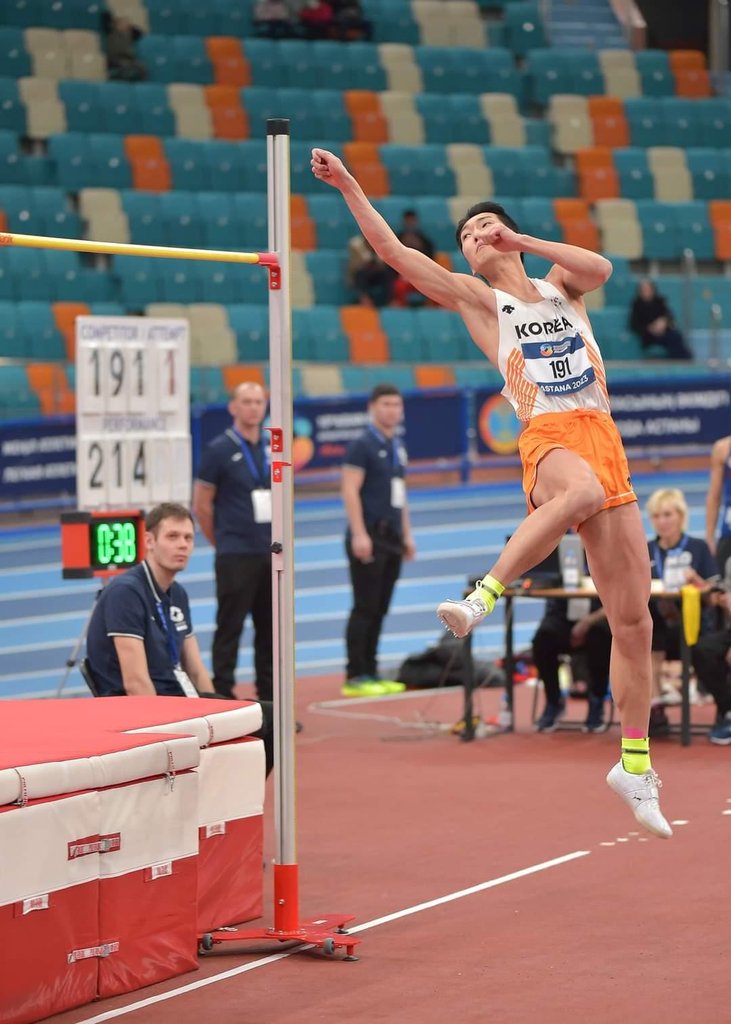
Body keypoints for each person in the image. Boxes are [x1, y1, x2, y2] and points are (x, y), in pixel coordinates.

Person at [311, 146, 671, 837]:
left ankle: (632, 763)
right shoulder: (479, 299)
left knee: (633, 623)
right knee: (578, 492)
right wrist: (350, 184)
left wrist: (524, 242)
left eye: (481, 229)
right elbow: (391, 253)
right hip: (547, 436)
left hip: (603, 435)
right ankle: (483, 595)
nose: (473, 240)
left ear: (505, 232)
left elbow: (601, 268)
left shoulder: (562, 285)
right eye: (466, 238)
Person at [85, 502, 273, 776]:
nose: (182, 545)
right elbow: (135, 681)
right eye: (172, 537)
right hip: (145, 711)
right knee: (268, 718)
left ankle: (233, 797)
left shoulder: (177, 593)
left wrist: (213, 706)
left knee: (272, 718)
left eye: (188, 538)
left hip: (181, 701)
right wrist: (161, 736)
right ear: (149, 541)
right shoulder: (126, 593)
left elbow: (196, 669)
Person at [192, 382, 273, 703]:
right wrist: (221, 542)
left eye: (259, 401)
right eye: (247, 402)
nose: (254, 407)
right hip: (235, 554)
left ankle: (270, 702)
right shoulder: (219, 450)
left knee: (270, 633)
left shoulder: (271, 447)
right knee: (230, 629)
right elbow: (201, 505)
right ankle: (222, 699)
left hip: (270, 554)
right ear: (233, 407)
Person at [341, 383, 416, 696]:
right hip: (369, 534)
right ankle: (356, 674)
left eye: (397, 405)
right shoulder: (362, 444)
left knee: (381, 607)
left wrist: (407, 533)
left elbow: (401, 494)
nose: (392, 410)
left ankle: (371, 670)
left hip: (392, 537)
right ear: (372, 407)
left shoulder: (396, 444)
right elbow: (349, 489)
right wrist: (359, 533)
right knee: (365, 607)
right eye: (386, 404)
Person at [644, 487, 719, 737]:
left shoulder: (697, 548)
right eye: (656, 516)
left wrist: (697, 581)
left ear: (681, 516)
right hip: (658, 625)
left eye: (668, 514)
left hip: (694, 625)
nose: (662, 522)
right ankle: (655, 706)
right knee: (646, 631)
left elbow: (715, 591)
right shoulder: (646, 550)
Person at [532, 597, 612, 734]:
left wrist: (588, 621)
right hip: (563, 617)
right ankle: (553, 701)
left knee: (600, 638)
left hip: (597, 618)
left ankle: (597, 702)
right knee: (543, 639)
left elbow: (615, 602)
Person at [628, 279, 692, 360]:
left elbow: (669, 316)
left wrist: (664, 322)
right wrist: (650, 328)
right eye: (643, 290)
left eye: (648, 289)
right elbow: (634, 325)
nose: (646, 292)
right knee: (671, 339)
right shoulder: (636, 304)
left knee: (676, 336)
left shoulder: (659, 301)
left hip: (664, 332)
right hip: (648, 336)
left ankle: (685, 360)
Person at [705, 435, 731, 576]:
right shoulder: (723, 448)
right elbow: (714, 497)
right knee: (718, 589)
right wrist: (709, 537)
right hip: (728, 533)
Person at [347, 233, 393, 307]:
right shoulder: (355, 244)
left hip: (376, 272)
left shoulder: (380, 242)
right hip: (360, 271)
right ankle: (364, 298)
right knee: (361, 273)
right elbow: (355, 263)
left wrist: (376, 264)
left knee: (386, 272)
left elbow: (382, 262)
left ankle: (389, 300)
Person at [103, 15, 147, 82]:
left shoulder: (130, 34)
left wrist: (131, 27)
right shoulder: (111, 32)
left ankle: (140, 84)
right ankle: (121, 82)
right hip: (114, 58)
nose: (123, 25)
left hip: (128, 58)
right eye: (121, 23)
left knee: (142, 67)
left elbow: (140, 33)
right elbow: (105, 18)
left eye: (125, 24)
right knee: (125, 66)